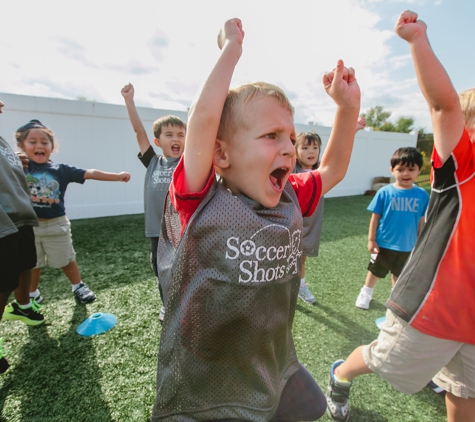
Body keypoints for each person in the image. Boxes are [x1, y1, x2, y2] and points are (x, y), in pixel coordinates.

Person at [152, 18, 360, 421]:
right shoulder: (198, 198)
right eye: (271, 136)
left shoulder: (289, 194)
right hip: (209, 365)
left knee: (310, 408)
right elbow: (203, 120)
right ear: (222, 155)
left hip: (272, 356)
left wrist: (347, 108)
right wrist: (231, 48)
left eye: (290, 137)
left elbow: (331, 169)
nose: (289, 148)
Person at [326, 10, 475, 422]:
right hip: (433, 307)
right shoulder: (464, 169)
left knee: (465, 395)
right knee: (380, 359)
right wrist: (417, 40)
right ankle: (340, 373)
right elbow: (444, 106)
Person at [12, 119, 130, 305]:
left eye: (44, 142)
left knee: (66, 258)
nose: (39, 146)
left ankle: (78, 286)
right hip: (28, 226)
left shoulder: (61, 170)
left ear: (52, 146)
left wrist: (116, 177)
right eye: (32, 142)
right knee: (32, 263)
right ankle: (32, 293)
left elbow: (89, 173)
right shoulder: (16, 168)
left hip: (56, 224)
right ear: (21, 146)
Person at [121, 83, 185, 322]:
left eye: (180, 134)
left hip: (182, 229)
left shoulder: (188, 164)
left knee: (184, 270)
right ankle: (167, 304)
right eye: (169, 135)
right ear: (158, 141)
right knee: (161, 271)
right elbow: (139, 132)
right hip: (156, 231)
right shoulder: (153, 162)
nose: (176, 138)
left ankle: (186, 305)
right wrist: (129, 101)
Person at [296, 118, 367, 305]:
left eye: (314, 148)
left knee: (302, 257)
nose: (311, 151)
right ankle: (283, 287)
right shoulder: (290, 169)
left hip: (311, 223)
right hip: (290, 222)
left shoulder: (321, 171)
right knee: (283, 257)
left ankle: (300, 286)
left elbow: (338, 153)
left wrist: (352, 131)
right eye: (304, 148)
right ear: (295, 151)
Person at [355, 146, 429, 310]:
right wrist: (371, 240)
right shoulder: (384, 192)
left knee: (400, 274)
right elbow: (375, 218)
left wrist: (421, 243)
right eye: (400, 169)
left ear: (419, 170)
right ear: (392, 170)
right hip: (384, 244)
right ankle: (366, 293)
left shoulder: (423, 195)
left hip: (408, 246)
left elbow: (420, 221)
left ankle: (396, 299)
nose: (405, 174)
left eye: (411, 169)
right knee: (375, 271)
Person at [0, 100, 44, 373]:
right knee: (2, 281)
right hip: (3, 220)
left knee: (25, 264)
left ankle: (23, 305)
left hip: (20, 215)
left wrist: (18, 161)